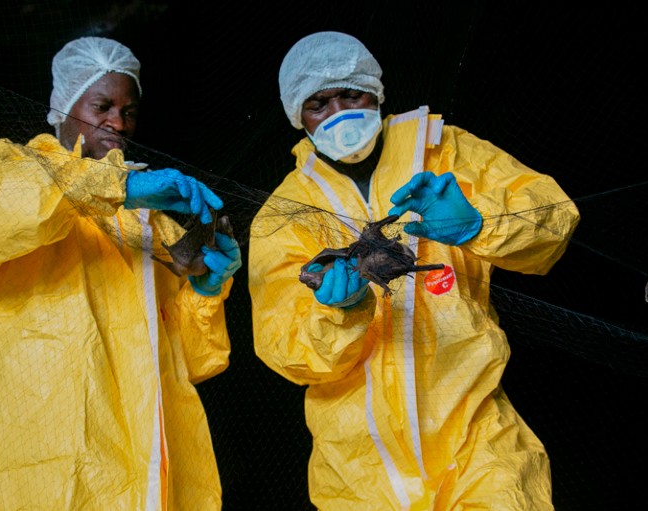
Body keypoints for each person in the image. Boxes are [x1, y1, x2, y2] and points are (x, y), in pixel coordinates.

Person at [249, 31, 580, 510]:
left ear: (377, 93)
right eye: (319, 104)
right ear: (296, 115)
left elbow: (554, 217)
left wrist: (479, 223)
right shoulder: (283, 215)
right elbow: (287, 350)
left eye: (351, 94)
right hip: (360, 467)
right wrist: (341, 312)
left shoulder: (443, 152)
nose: (339, 113)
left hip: (476, 432)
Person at [0, 36, 241, 510]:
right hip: (57, 471)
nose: (118, 123)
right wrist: (121, 185)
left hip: (157, 473)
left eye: (129, 110)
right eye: (103, 105)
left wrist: (204, 287)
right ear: (65, 102)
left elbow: (192, 363)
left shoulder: (147, 222)